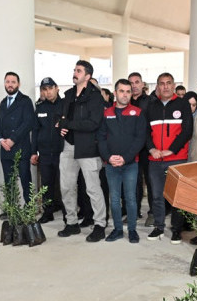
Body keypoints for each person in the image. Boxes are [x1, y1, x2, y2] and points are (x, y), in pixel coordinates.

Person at [57, 60, 107, 242]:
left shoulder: (95, 96)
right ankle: (71, 223)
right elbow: (63, 117)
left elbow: (93, 123)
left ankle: (100, 224)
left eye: (78, 70)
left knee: (93, 189)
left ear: (88, 76)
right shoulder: (69, 95)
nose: (75, 73)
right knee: (67, 187)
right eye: (74, 70)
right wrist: (60, 126)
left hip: (88, 148)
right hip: (68, 146)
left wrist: (68, 124)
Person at [145, 72, 193, 244]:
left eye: (168, 83)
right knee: (157, 196)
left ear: (174, 86)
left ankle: (176, 230)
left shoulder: (183, 104)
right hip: (155, 160)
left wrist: (171, 150)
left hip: (177, 158)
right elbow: (145, 132)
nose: (165, 86)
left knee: (176, 197)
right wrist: (151, 149)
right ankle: (158, 226)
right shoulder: (151, 106)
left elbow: (187, 131)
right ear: (157, 86)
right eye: (161, 83)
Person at [97, 78, 146, 243]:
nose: (125, 95)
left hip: (130, 164)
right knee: (114, 198)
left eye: (128, 91)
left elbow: (140, 139)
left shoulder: (138, 113)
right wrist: (109, 157)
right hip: (111, 164)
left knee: (131, 198)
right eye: (121, 91)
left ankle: (132, 229)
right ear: (115, 93)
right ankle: (118, 229)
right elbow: (101, 138)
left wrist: (125, 158)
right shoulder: (106, 113)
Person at [0, 71, 34, 207]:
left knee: (25, 179)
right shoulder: (2, 102)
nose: (10, 84)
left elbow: (28, 123)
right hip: (5, 149)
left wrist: (12, 139)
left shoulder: (25, 101)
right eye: (7, 82)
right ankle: (12, 209)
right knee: (9, 181)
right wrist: (1, 140)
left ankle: (29, 207)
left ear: (18, 84)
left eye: (13, 82)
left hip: (21, 147)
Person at [31, 77, 65, 224]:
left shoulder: (64, 105)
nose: (48, 92)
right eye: (45, 89)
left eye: (50, 88)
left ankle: (66, 213)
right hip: (44, 153)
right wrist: (34, 152)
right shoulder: (40, 107)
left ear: (56, 88)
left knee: (64, 184)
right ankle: (48, 212)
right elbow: (35, 130)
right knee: (46, 184)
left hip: (62, 152)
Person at [128, 71, 152, 221]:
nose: (134, 85)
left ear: (142, 84)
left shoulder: (151, 101)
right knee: (133, 182)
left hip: (148, 147)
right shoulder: (125, 101)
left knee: (151, 182)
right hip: (131, 148)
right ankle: (134, 213)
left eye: (137, 82)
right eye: (131, 83)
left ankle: (153, 214)